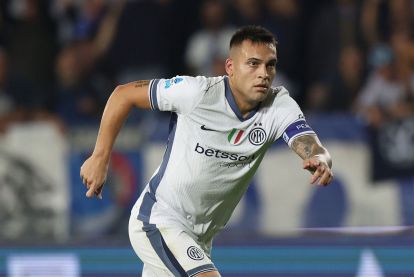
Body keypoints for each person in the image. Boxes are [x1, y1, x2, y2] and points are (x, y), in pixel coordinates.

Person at [80, 25, 333, 277]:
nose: (264, 74)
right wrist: (101, 157)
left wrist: (318, 157)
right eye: (253, 64)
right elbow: (123, 94)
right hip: (159, 221)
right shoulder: (196, 93)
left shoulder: (278, 105)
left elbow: (308, 141)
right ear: (230, 68)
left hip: (200, 238)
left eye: (270, 65)